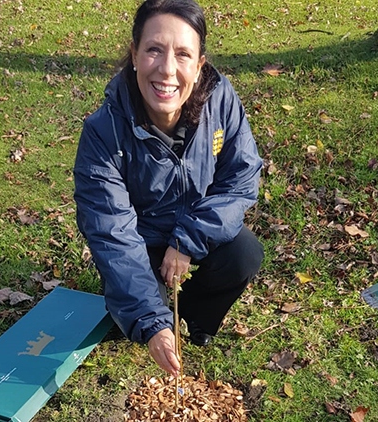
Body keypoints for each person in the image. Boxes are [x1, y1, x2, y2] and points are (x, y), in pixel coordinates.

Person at [73, 0, 264, 377]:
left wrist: (187, 241)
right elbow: (111, 233)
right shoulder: (102, 131)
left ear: (199, 64)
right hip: (138, 241)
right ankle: (158, 318)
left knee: (244, 254)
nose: (167, 70)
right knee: (138, 317)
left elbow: (240, 180)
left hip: (193, 229)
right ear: (134, 54)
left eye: (182, 54)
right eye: (154, 51)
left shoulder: (220, 100)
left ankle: (194, 319)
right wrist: (152, 321)